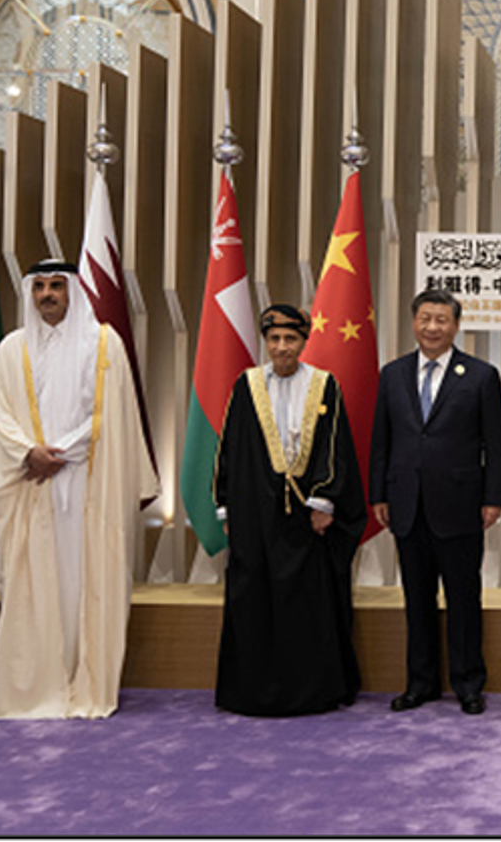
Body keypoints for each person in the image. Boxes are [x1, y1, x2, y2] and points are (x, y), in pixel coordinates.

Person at [0, 260, 157, 719]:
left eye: (56, 286)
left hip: (88, 479)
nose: (47, 294)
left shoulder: (103, 344)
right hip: (32, 480)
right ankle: (39, 682)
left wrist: (62, 453)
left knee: (85, 578)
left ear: (72, 291)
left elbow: (114, 413)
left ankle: (85, 680)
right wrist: (29, 453)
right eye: (39, 286)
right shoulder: (12, 348)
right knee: (33, 578)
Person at [214, 305, 366, 716]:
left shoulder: (323, 384)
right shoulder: (247, 385)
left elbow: (336, 447)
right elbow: (229, 449)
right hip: (254, 516)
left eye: (290, 339)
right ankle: (252, 692)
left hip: (307, 518)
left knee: (305, 603)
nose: (282, 347)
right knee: (254, 598)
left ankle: (310, 692)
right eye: (275, 339)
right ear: (266, 342)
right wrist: (226, 508)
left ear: (303, 342)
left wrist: (324, 500)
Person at [371, 289, 501, 715]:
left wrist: (494, 498)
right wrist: (379, 493)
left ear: (456, 325)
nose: (432, 327)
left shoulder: (481, 376)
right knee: (417, 600)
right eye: (425, 319)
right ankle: (421, 684)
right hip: (406, 504)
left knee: (464, 598)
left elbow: (497, 444)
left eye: (441, 320)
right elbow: (381, 441)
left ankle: (468, 684)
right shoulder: (392, 374)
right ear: (414, 323)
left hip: (462, 505)